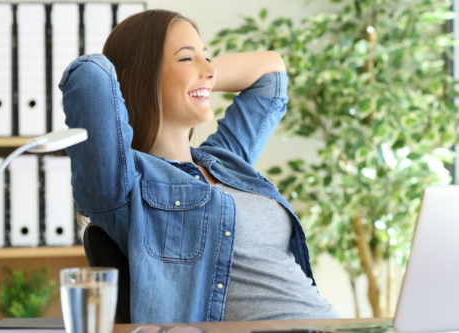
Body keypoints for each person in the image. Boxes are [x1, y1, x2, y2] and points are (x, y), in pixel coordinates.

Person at [60, 9, 339, 323]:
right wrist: (161, 76)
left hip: (333, 323)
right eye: (186, 58)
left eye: (207, 58)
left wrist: (195, 72)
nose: (210, 71)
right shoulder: (123, 186)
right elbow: (89, 76)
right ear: (133, 76)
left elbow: (271, 72)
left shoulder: (225, 159)